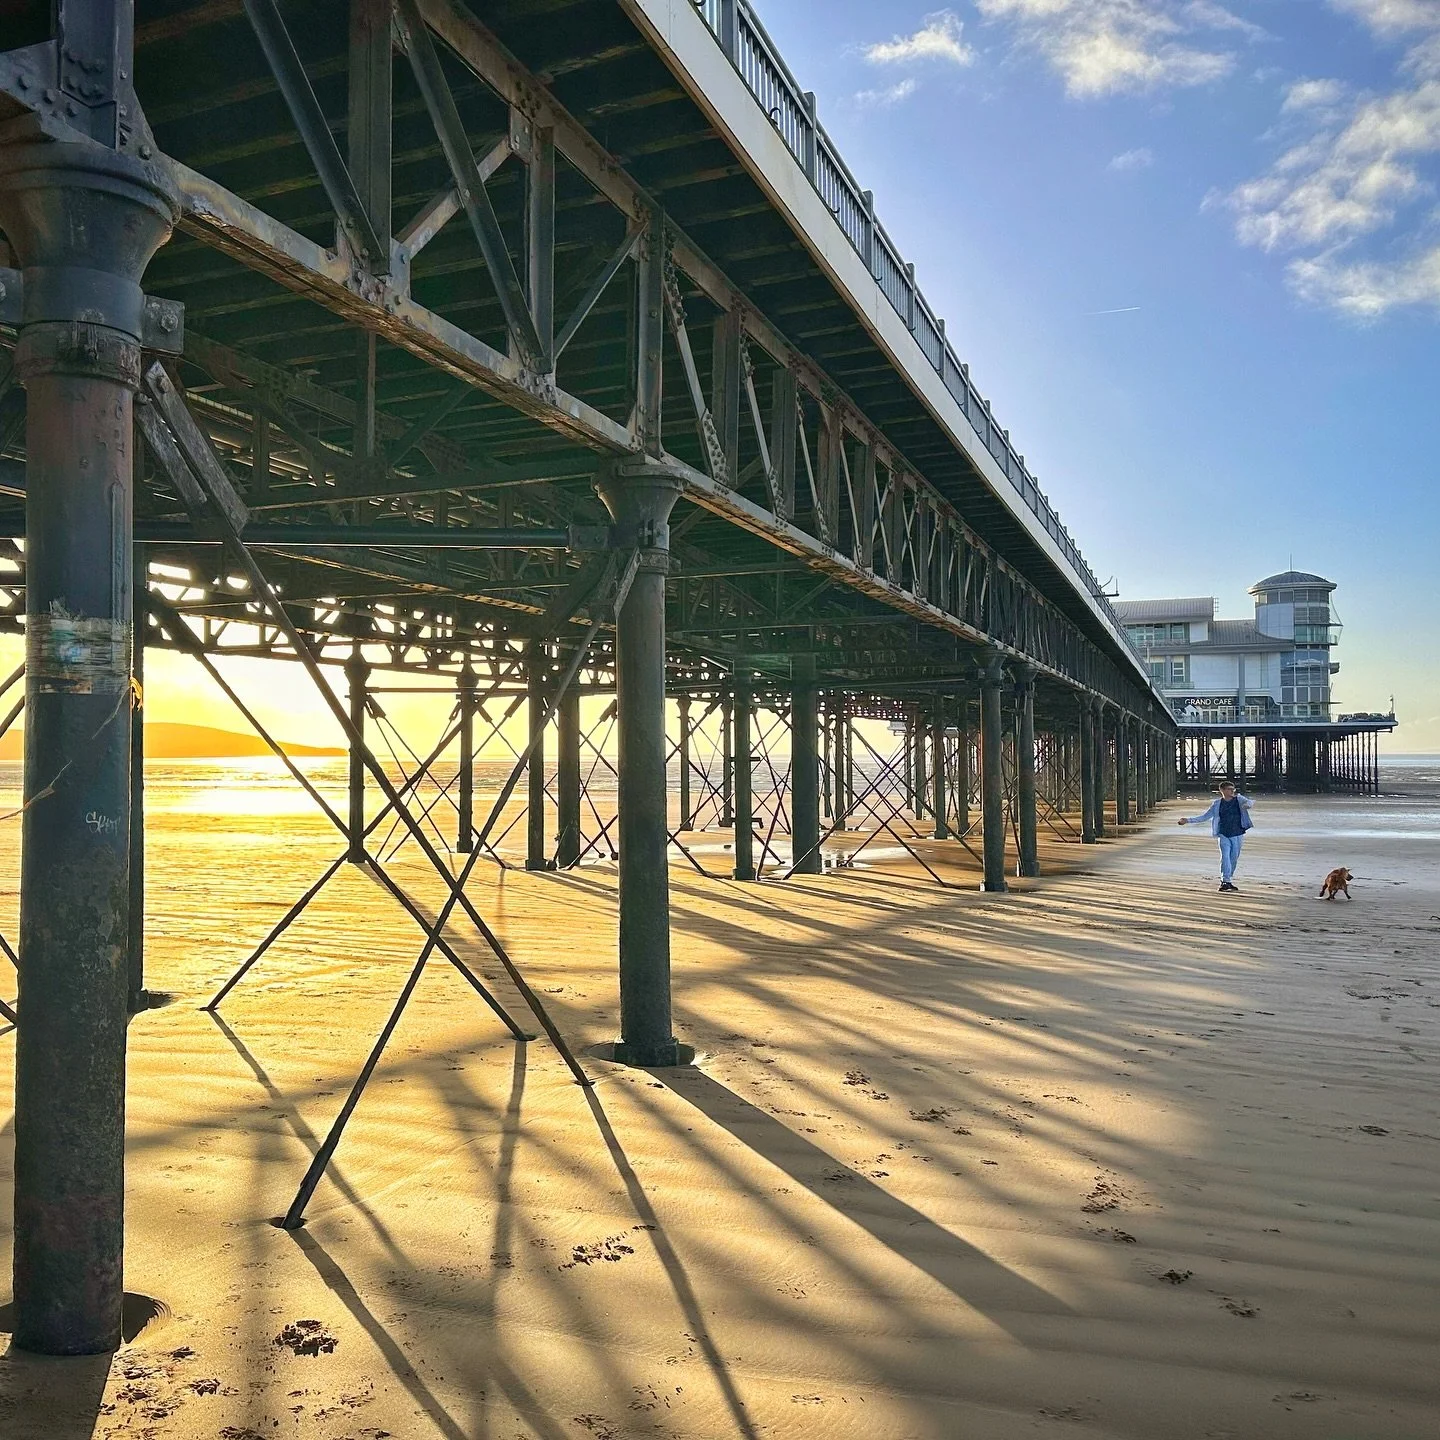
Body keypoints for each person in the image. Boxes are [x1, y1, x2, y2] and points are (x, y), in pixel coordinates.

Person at [1178, 781, 1254, 892]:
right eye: (1229, 789)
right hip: (1223, 833)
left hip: (1237, 833)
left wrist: (1242, 798)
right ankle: (1225, 881)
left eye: (1233, 789)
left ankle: (1228, 880)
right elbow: (1205, 817)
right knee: (1225, 857)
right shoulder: (1217, 804)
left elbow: (1250, 804)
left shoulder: (1238, 800)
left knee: (1234, 858)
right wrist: (1188, 820)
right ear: (1222, 790)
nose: (1232, 791)